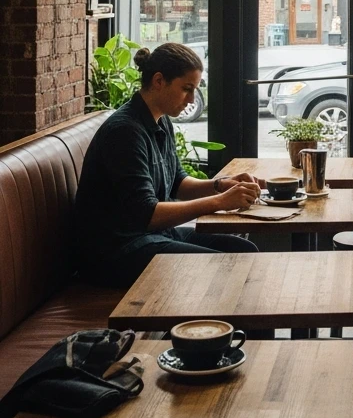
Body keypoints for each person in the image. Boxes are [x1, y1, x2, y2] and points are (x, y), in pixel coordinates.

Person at [75, 42, 261, 287]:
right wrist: (220, 202)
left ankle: (233, 325)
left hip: (149, 237)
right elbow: (146, 214)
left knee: (245, 252)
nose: (192, 99)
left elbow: (178, 182)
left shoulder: (160, 121)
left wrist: (220, 185)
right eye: (186, 89)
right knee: (230, 267)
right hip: (117, 252)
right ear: (159, 81)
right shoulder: (124, 132)